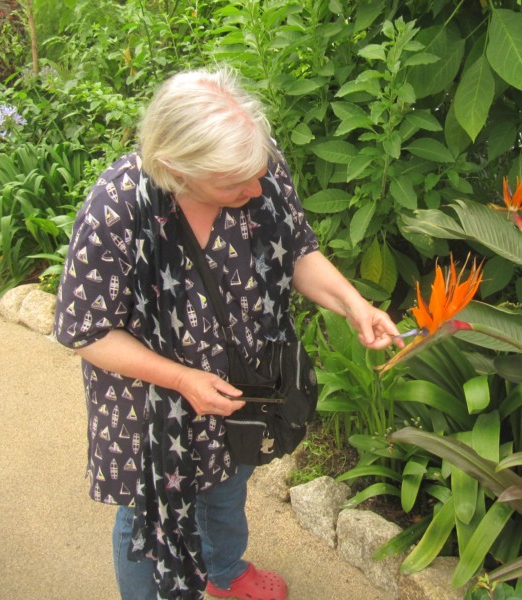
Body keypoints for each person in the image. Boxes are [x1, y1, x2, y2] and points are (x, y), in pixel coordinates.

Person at [54, 67, 402, 600]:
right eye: (233, 184)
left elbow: (299, 249)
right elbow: (85, 331)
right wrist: (181, 378)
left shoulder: (252, 162)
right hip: (150, 409)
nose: (256, 188)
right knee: (150, 518)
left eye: (258, 172)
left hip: (242, 384)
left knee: (227, 481)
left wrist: (353, 304)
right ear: (175, 169)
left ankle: (223, 571)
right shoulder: (117, 207)